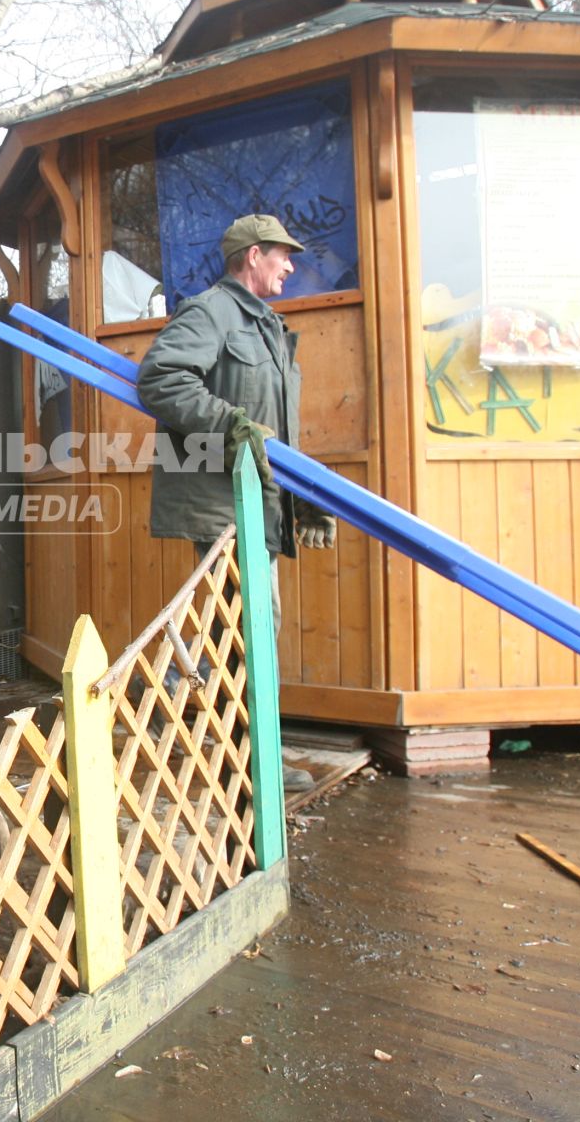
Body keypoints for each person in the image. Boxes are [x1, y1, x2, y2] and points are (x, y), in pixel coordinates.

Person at [136, 213, 334, 791]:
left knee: (246, 630)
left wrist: (306, 500)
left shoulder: (268, 329)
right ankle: (249, 761)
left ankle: (234, 746)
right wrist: (229, 424)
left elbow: (275, 436)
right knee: (248, 630)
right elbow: (163, 379)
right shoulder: (212, 311)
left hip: (261, 503)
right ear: (253, 256)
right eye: (282, 255)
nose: (290, 266)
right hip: (222, 503)